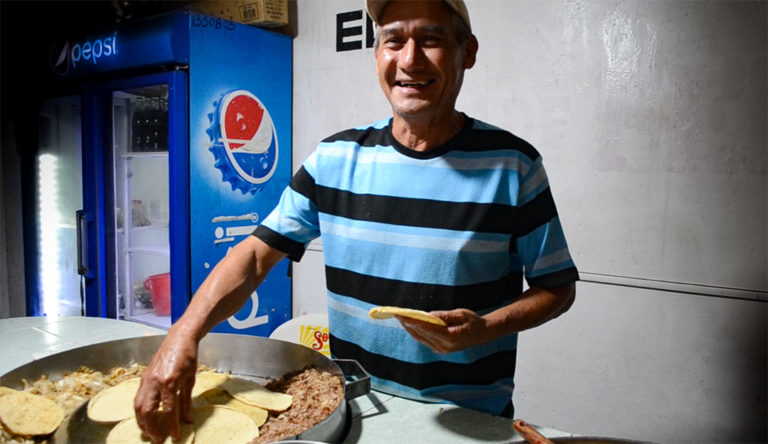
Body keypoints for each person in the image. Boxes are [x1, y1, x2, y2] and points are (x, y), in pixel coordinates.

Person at [134, 0, 578, 441]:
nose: (409, 59)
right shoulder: (334, 159)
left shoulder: (513, 165)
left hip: (468, 423)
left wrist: (487, 328)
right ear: (377, 54)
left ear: (468, 52)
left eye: (431, 39)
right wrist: (183, 335)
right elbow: (254, 256)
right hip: (356, 412)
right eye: (393, 41)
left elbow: (557, 288)